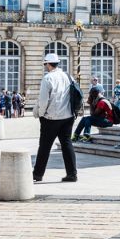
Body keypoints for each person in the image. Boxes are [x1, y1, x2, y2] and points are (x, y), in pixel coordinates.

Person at [33, 52, 78, 182]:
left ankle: (37, 174)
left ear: (48, 64)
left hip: (51, 118)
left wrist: (40, 114)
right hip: (68, 116)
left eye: (45, 64)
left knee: (45, 147)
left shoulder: (48, 78)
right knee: (67, 144)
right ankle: (72, 174)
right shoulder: (69, 77)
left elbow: (43, 100)